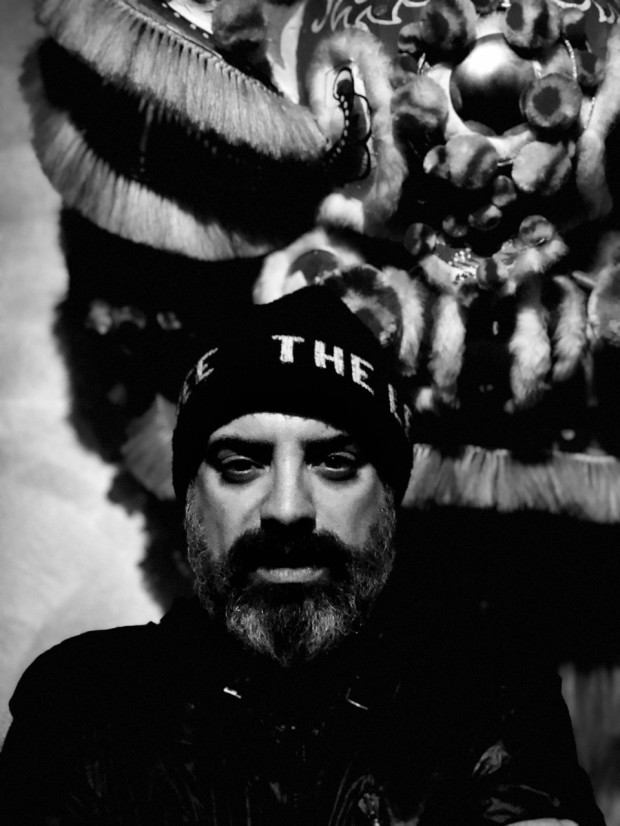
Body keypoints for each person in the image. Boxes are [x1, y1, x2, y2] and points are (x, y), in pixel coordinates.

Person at [0, 287, 604, 825]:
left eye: (334, 463)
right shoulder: (83, 705)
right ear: (190, 503)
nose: (287, 509)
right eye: (241, 464)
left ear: (390, 501)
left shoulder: (487, 698)